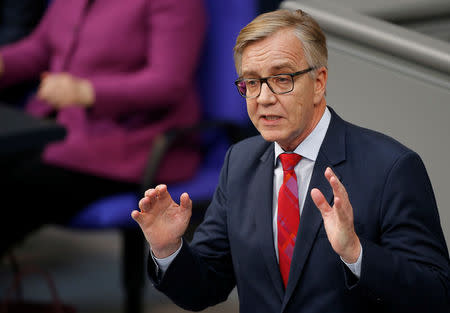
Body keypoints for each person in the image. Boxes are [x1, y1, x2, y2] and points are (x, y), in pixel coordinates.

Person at [132, 9, 449, 313]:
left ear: (319, 82)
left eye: (282, 79)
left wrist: (357, 254)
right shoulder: (239, 163)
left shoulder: (391, 168)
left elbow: (436, 296)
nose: (263, 98)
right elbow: (206, 286)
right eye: (251, 83)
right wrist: (168, 250)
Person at [0, 0, 206, 256]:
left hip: (130, 146)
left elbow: (168, 83)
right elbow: (41, 47)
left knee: (14, 190)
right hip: (58, 132)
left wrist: (87, 91)